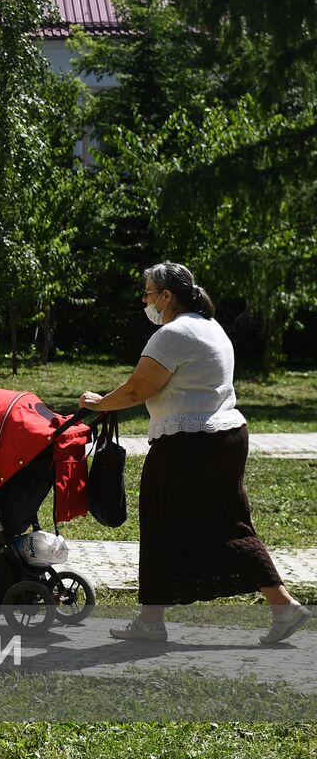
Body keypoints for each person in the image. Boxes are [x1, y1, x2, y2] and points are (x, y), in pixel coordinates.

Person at [78, 261, 309, 645]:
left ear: (167, 296)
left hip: (188, 442)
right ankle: (281, 606)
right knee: (226, 523)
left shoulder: (173, 334)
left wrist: (100, 404)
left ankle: (152, 622)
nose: (146, 299)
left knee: (160, 519)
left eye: (150, 292)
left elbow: (139, 389)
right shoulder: (210, 328)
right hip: (225, 436)